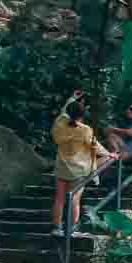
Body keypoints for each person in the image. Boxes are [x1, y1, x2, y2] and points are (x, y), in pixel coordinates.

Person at [50, 93, 117, 237]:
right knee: (75, 200)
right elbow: (95, 146)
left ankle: (56, 228)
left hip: (62, 166)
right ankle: (72, 229)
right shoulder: (85, 130)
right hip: (78, 170)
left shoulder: (60, 123)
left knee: (59, 199)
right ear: (83, 114)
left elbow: (63, 112)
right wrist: (109, 154)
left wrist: (71, 99)